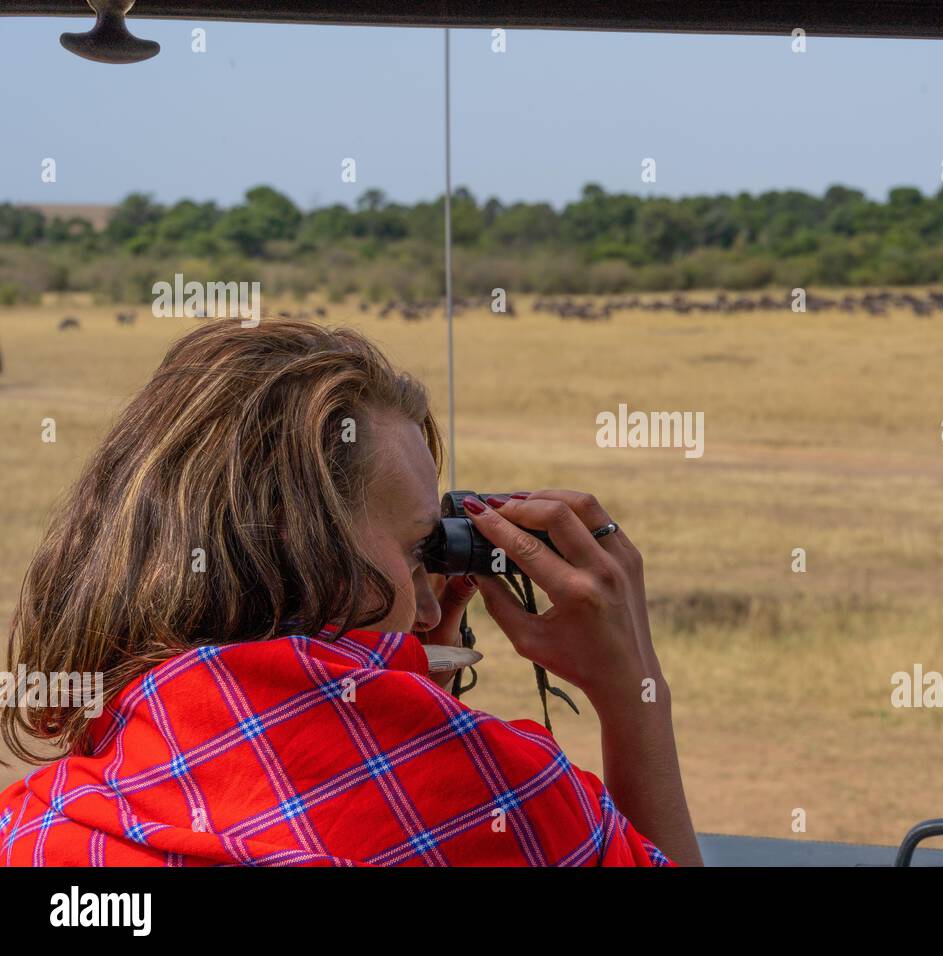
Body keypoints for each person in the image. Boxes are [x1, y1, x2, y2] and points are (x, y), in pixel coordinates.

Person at [0, 319, 701, 867]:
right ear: (305, 548)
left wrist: (402, 688)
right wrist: (633, 693)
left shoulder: (39, 823)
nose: (431, 601)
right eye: (415, 549)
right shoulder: (507, 803)